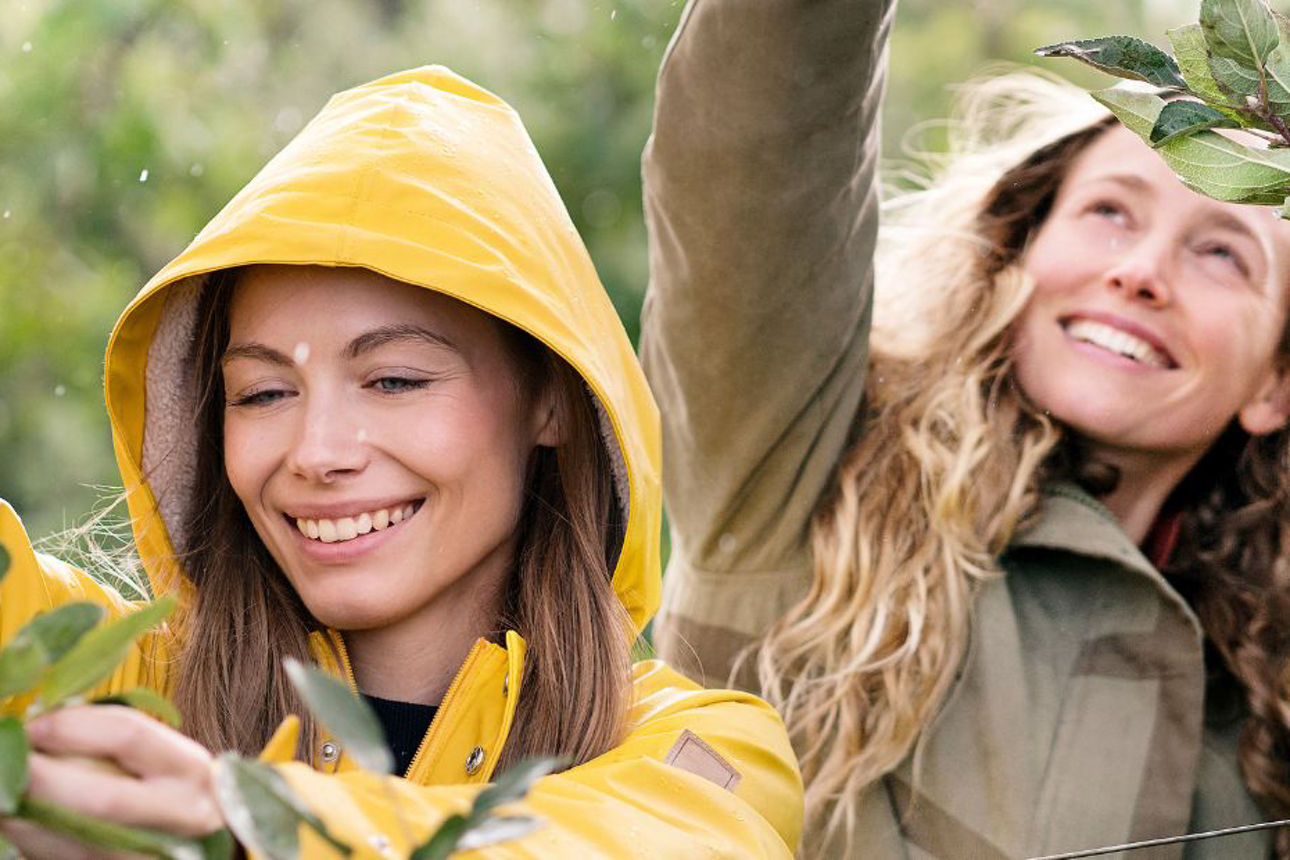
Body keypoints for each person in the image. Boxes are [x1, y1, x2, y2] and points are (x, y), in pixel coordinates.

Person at [0, 65, 803, 857]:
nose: (317, 454)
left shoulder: (706, 753)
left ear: (550, 401)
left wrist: (244, 823)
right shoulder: (126, 691)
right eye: (263, 393)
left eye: (393, 380)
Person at [642, 0, 1290, 857]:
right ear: (1016, 251)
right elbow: (754, 150)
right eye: (1109, 212)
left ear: (1276, 385)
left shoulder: (1260, 713)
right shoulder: (799, 470)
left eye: (1221, 253)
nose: (1140, 273)